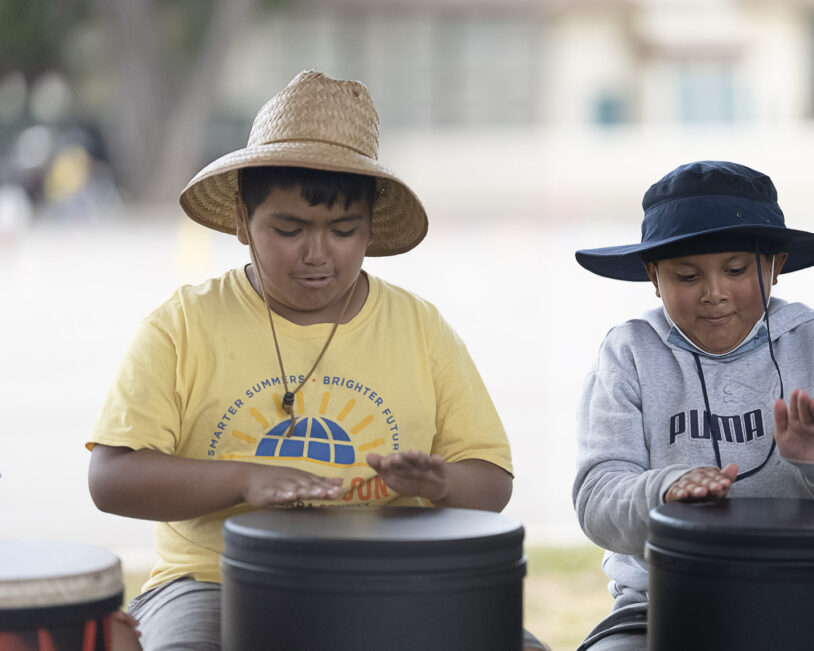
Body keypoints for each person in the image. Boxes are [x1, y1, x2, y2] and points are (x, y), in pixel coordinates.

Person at [87, 71, 547, 651]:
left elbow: (490, 484)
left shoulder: (420, 328)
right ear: (240, 222)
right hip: (213, 580)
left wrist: (439, 482)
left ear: (370, 228)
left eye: (343, 230)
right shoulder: (182, 324)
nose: (316, 254)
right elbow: (111, 480)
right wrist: (243, 477)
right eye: (288, 228)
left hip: (389, 576)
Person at [571, 160, 814, 650]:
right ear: (653, 276)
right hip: (662, 603)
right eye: (687, 275)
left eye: (736, 270)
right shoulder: (629, 354)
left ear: (775, 265)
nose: (714, 293)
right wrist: (667, 489)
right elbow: (596, 500)